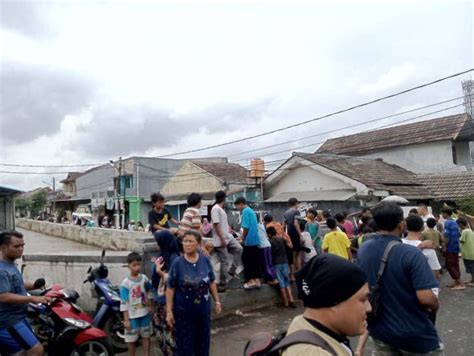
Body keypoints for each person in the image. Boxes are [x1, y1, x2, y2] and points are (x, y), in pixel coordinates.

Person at [358, 202, 443, 355]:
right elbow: (426, 298)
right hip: (414, 333)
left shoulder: (364, 249)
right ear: (401, 224)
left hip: (380, 331)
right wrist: (435, 303)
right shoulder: (411, 254)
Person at [282, 254, 371, 355]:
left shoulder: (301, 322)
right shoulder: (315, 353)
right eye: (363, 299)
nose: (369, 308)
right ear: (333, 302)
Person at [166, 230, 222, 356]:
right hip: (183, 314)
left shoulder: (205, 260)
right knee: (184, 346)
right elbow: (170, 288)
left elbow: (211, 282)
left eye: (191, 241)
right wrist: (169, 311)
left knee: (203, 344)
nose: (187, 244)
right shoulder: (177, 263)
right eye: (185, 241)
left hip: (203, 312)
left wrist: (217, 301)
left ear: (198, 244)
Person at [0, 231, 51, 355]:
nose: (21, 249)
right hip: (9, 321)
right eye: (16, 246)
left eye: (23, 245)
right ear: (3, 247)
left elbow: (15, 286)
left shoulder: (10, 264)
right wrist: (33, 299)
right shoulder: (1, 270)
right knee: (36, 350)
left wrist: (34, 285)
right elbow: (3, 296)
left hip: (19, 317)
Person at [120, 252, 153, 356]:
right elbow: (124, 303)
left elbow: (150, 292)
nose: (137, 267)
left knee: (146, 337)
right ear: (128, 265)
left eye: (139, 264)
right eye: (134, 265)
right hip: (132, 316)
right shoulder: (125, 283)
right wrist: (126, 320)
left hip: (144, 314)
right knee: (131, 340)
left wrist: (150, 305)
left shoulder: (144, 279)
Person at [211, 190, 243, 292]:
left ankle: (232, 270)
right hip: (221, 239)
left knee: (239, 249)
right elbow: (216, 225)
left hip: (228, 237)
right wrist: (221, 239)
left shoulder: (221, 209)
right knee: (224, 261)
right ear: (224, 198)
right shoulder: (215, 209)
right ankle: (222, 283)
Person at [403, 214, 442, 280]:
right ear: (422, 227)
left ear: (405, 227)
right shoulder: (428, 248)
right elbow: (435, 273)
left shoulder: (397, 244)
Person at [234, 197, 262, 289]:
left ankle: (251, 281)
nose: (237, 208)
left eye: (237, 206)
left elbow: (245, 227)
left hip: (249, 240)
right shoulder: (251, 211)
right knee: (255, 261)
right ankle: (257, 281)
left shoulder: (245, 211)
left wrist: (242, 238)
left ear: (241, 203)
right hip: (255, 240)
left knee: (247, 261)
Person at [267, 226, 295, 308]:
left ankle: (286, 302)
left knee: (281, 282)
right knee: (287, 281)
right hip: (285, 262)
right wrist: (287, 239)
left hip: (276, 263)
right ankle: (291, 299)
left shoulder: (270, 242)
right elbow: (291, 246)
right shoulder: (282, 239)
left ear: (269, 234)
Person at [441, 207, 465, 290]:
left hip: (450, 247)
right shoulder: (454, 222)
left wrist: (444, 246)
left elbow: (447, 236)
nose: (442, 215)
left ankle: (461, 283)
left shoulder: (447, 223)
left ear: (446, 214)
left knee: (449, 264)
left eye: (442, 213)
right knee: (455, 264)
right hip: (456, 247)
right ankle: (456, 282)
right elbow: (458, 234)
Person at [257, 213, 278, 285]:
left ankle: (273, 279)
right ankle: (274, 278)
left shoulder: (256, 226)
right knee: (269, 263)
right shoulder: (261, 225)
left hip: (263, 247)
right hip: (267, 245)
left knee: (266, 264)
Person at [283, 197, 303, 273]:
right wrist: (300, 235)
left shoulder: (286, 212)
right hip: (295, 234)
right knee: (297, 253)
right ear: (296, 203)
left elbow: (284, 225)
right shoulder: (296, 211)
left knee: (292, 254)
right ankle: (299, 272)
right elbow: (296, 224)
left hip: (289, 235)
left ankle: (293, 273)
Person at [457, 217, 474, 287]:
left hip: (468, 253)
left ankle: (473, 281)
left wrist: (458, 234)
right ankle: (472, 280)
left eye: (458, 224)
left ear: (461, 224)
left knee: (471, 268)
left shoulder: (464, 231)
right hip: (471, 252)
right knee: (472, 267)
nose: (458, 226)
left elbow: (461, 240)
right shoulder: (470, 230)